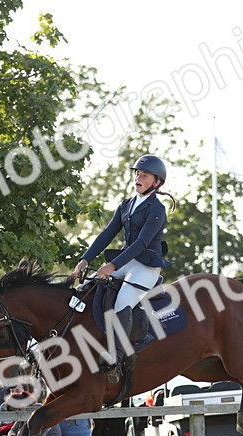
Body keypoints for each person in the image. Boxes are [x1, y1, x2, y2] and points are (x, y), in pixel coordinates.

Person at [73, 154, 173, 371]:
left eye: (144, 175)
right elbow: (107, 234)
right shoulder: (127, 205)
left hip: (146, 265)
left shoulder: (157, 209)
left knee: (123, 301)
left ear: (156, 182)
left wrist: (112, 266)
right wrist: (85, 259)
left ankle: (116, 359)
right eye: (137, 173)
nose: (138, 177)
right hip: (128, 261)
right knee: (88, 287)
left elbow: (142, 242)